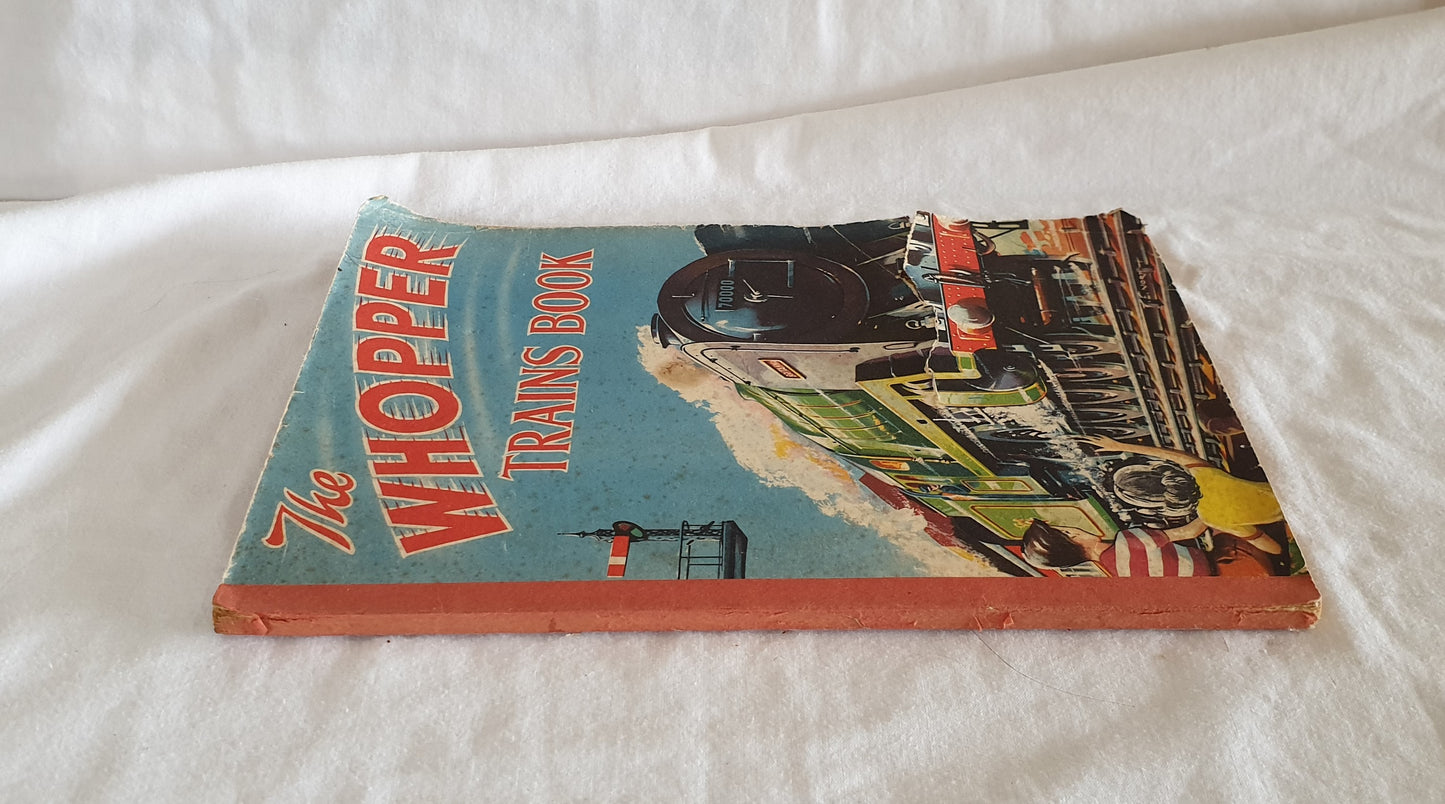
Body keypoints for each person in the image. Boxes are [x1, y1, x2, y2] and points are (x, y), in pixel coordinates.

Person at [1078, 434, 1284, 558]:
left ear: (1154, 504)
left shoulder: (1211, 518)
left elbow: (1274, 549)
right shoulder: (1205, 474)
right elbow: (1175, 456)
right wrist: (1121, 446)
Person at [1021, 519, 1213, 577]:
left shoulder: (1116, 575)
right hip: (1213, 564)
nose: (1073, 529)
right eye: (1065, 529)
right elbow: (1192, 531)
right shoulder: (1127, 540)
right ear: (1072, 537)